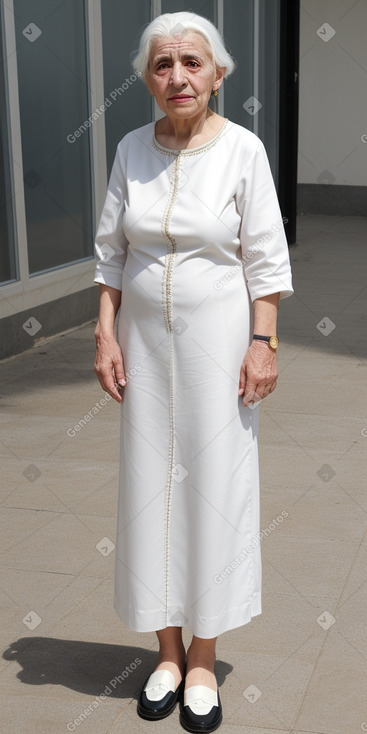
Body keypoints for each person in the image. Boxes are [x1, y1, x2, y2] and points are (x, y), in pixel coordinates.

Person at [93, 11, 293, 733]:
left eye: (192, 63)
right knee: (150, 494)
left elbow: (264, 260)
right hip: (143, 351)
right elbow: (110, 254)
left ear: (217, 73)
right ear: (147, 77)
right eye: (161, 64)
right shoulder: (128, 149)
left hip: (218, 347)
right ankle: (165, 654)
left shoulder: (242, 151)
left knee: (215, 491)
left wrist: (262, 342)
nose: (177, 77)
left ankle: (204, 658)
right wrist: (104, 335)